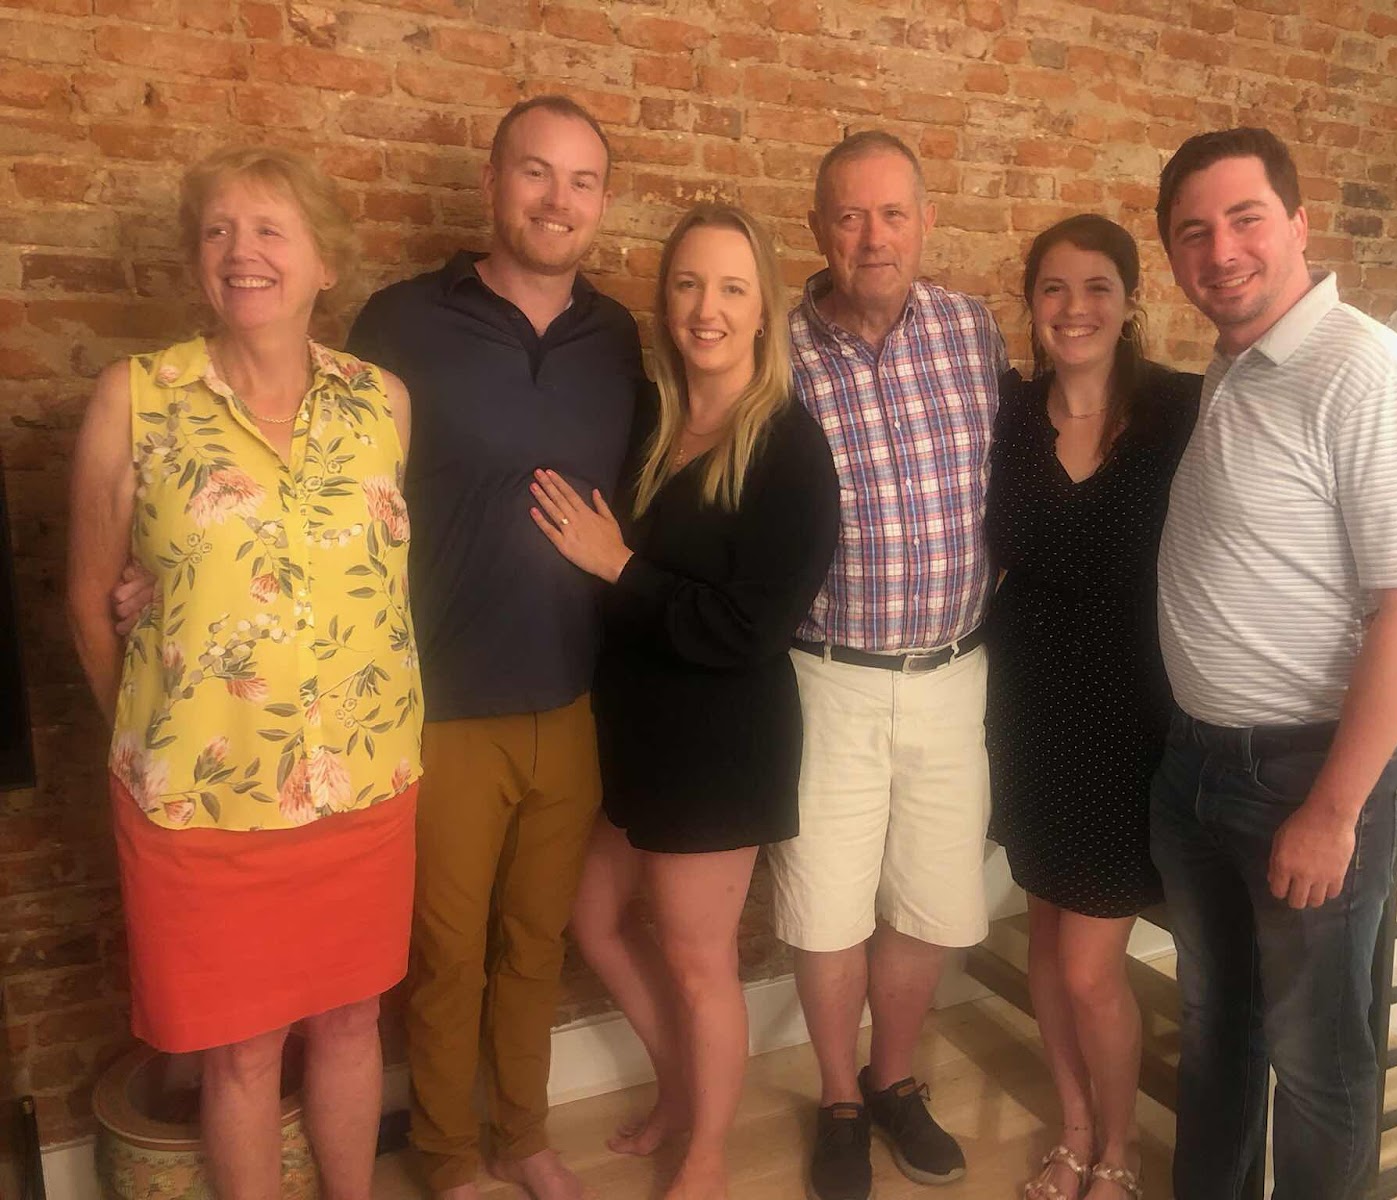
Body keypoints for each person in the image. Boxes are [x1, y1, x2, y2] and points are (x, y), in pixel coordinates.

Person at [67, 145, 422, 1200]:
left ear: (325, 263)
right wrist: (151, 726)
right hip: (202, 802)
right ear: (196, 261)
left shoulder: (383, 404)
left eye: (270, 229)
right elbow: (88, 599)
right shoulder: (137, 399)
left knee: (353, 1022)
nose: (241, 251)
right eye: (218, 231)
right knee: (241, 1050)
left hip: (361, 784)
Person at [1150, 127, 1397, 1200]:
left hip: (1307, 774)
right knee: (1217, 1033)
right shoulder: (1238, 366)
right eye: (1192, 232)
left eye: (1244, 220)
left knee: (1318, 1064)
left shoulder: (1363, 374)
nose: (1220, 251)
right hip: (1202, 767)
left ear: (1298, 224)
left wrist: (1333, 810)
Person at [345, 96, 646, 1200]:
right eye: (535, 172)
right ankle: (445, 1156)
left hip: (572, 697)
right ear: (491, 183)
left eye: (581, 181)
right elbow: (328, 479)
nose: (557, 200)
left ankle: (521, 1136)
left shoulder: (618, 337)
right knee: (447, 956)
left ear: (600, 202)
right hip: (444, 704)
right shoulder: (401, 319)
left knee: (534, 945)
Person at [534, 203, 839, 1200]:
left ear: (764, 311)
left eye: (732, 288)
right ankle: (681, 1089)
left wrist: (620, 566)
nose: (708, 308)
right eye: (689, 285)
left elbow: (751, 627)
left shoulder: (789, 447)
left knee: (699, 959)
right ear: (666, 301)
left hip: (719, 740)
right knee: (592, 918)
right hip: (634, 728)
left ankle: (707, 1153)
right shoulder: (651, 419)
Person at [766, 130, 1009, 1200]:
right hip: (826, 675)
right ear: (818, 228)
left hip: (954, 674)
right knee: (826, 903)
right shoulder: (775, 350)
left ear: (925, 222)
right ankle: (837, 1098)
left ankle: (894, 1077)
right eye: (851, 215)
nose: (874, 237)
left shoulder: (971, 330)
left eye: (894, 214)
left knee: (926, 898)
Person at [985, 214, 1200, 1200]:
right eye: (1053, 288)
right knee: (1042, 938)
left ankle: (1121, 1146)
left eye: (1096, 287)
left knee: (1086, 966)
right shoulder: (1007, 415)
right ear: (1031, 303)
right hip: (1024, 709)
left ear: (1129, 301)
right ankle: (1073, 1125)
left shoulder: (1181, 411)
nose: (1073, 308)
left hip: (1129, 721)